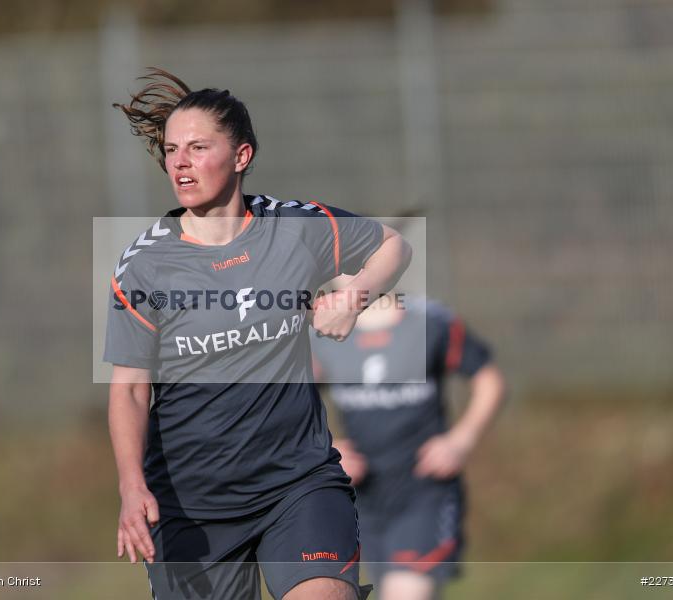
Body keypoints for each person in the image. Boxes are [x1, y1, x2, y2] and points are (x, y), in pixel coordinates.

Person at [104, 68, 412, 600]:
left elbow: (394, 247)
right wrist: (132, 487)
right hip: (192, 509)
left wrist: (354, 297)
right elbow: (129, 388)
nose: (180, 161)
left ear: (241, 156)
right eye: (173, 149)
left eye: (198, 147)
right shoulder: (144, 267)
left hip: (298, 484)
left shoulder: (294, 227)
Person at [312, 286, 505, 600]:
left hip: (424, 491)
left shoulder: (431, 321)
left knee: (405, 593)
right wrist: (325, 448)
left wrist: (460, 441)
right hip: (362, 498)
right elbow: (289, 402)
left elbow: (489, 381)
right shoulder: (321, 333)